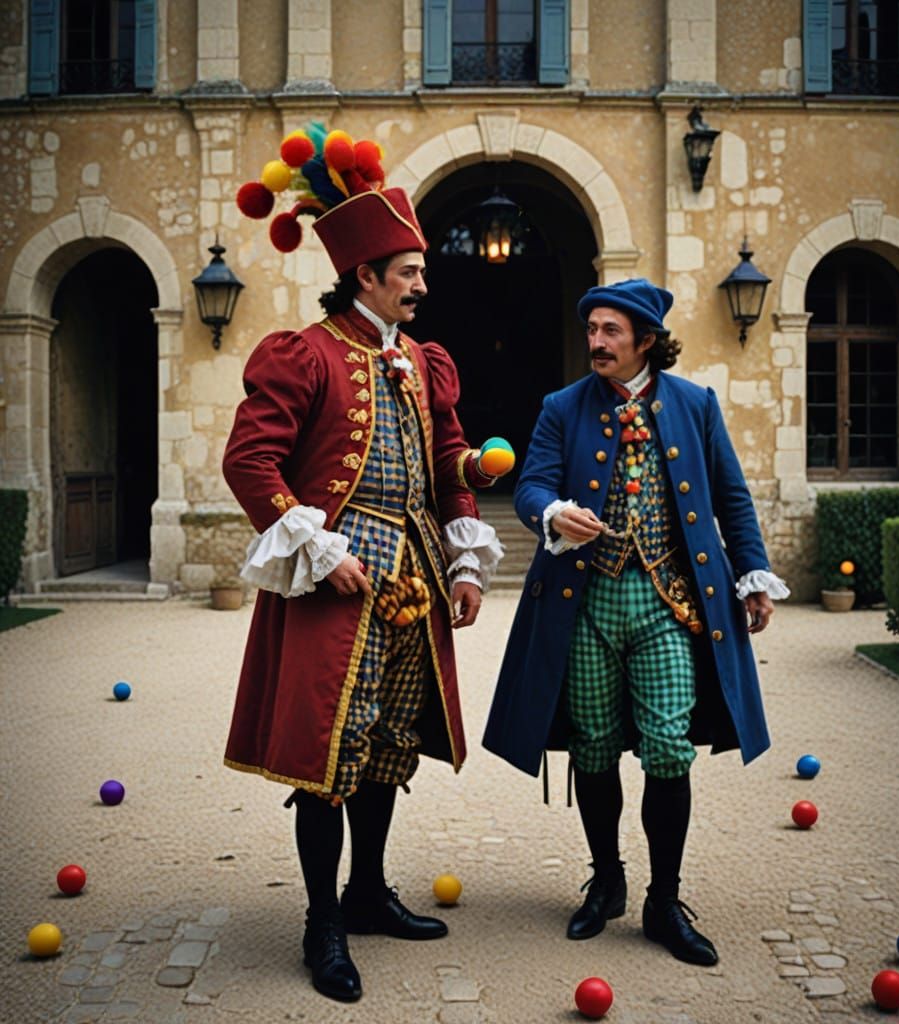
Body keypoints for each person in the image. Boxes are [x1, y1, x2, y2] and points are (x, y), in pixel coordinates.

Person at [223, 135, 505, 1003]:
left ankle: (369, 892)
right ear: (367, 276)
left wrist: (466, 541)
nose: (423, 284)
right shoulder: (302, 353)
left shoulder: (425, 362)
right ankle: (323, 923)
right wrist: (318, 549)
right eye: (410, 271)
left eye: (421, 271)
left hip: (415, 568)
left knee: (387, 747)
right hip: (336, 577)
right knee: (328, 756)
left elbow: (447, 456)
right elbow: (249, 463)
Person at [483, 278, 788, 966]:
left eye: (610, 331)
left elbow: (732, 499)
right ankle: (607, 879)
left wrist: (753, 576)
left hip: (669, 606)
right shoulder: (561, 406)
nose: (595, 342)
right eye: (591, 329)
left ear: (645, 340)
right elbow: (529, 485)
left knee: (667, 747)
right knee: (592, 745)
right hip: (584, 606)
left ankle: (664, 899)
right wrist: (552, 513)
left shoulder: (695, 404)